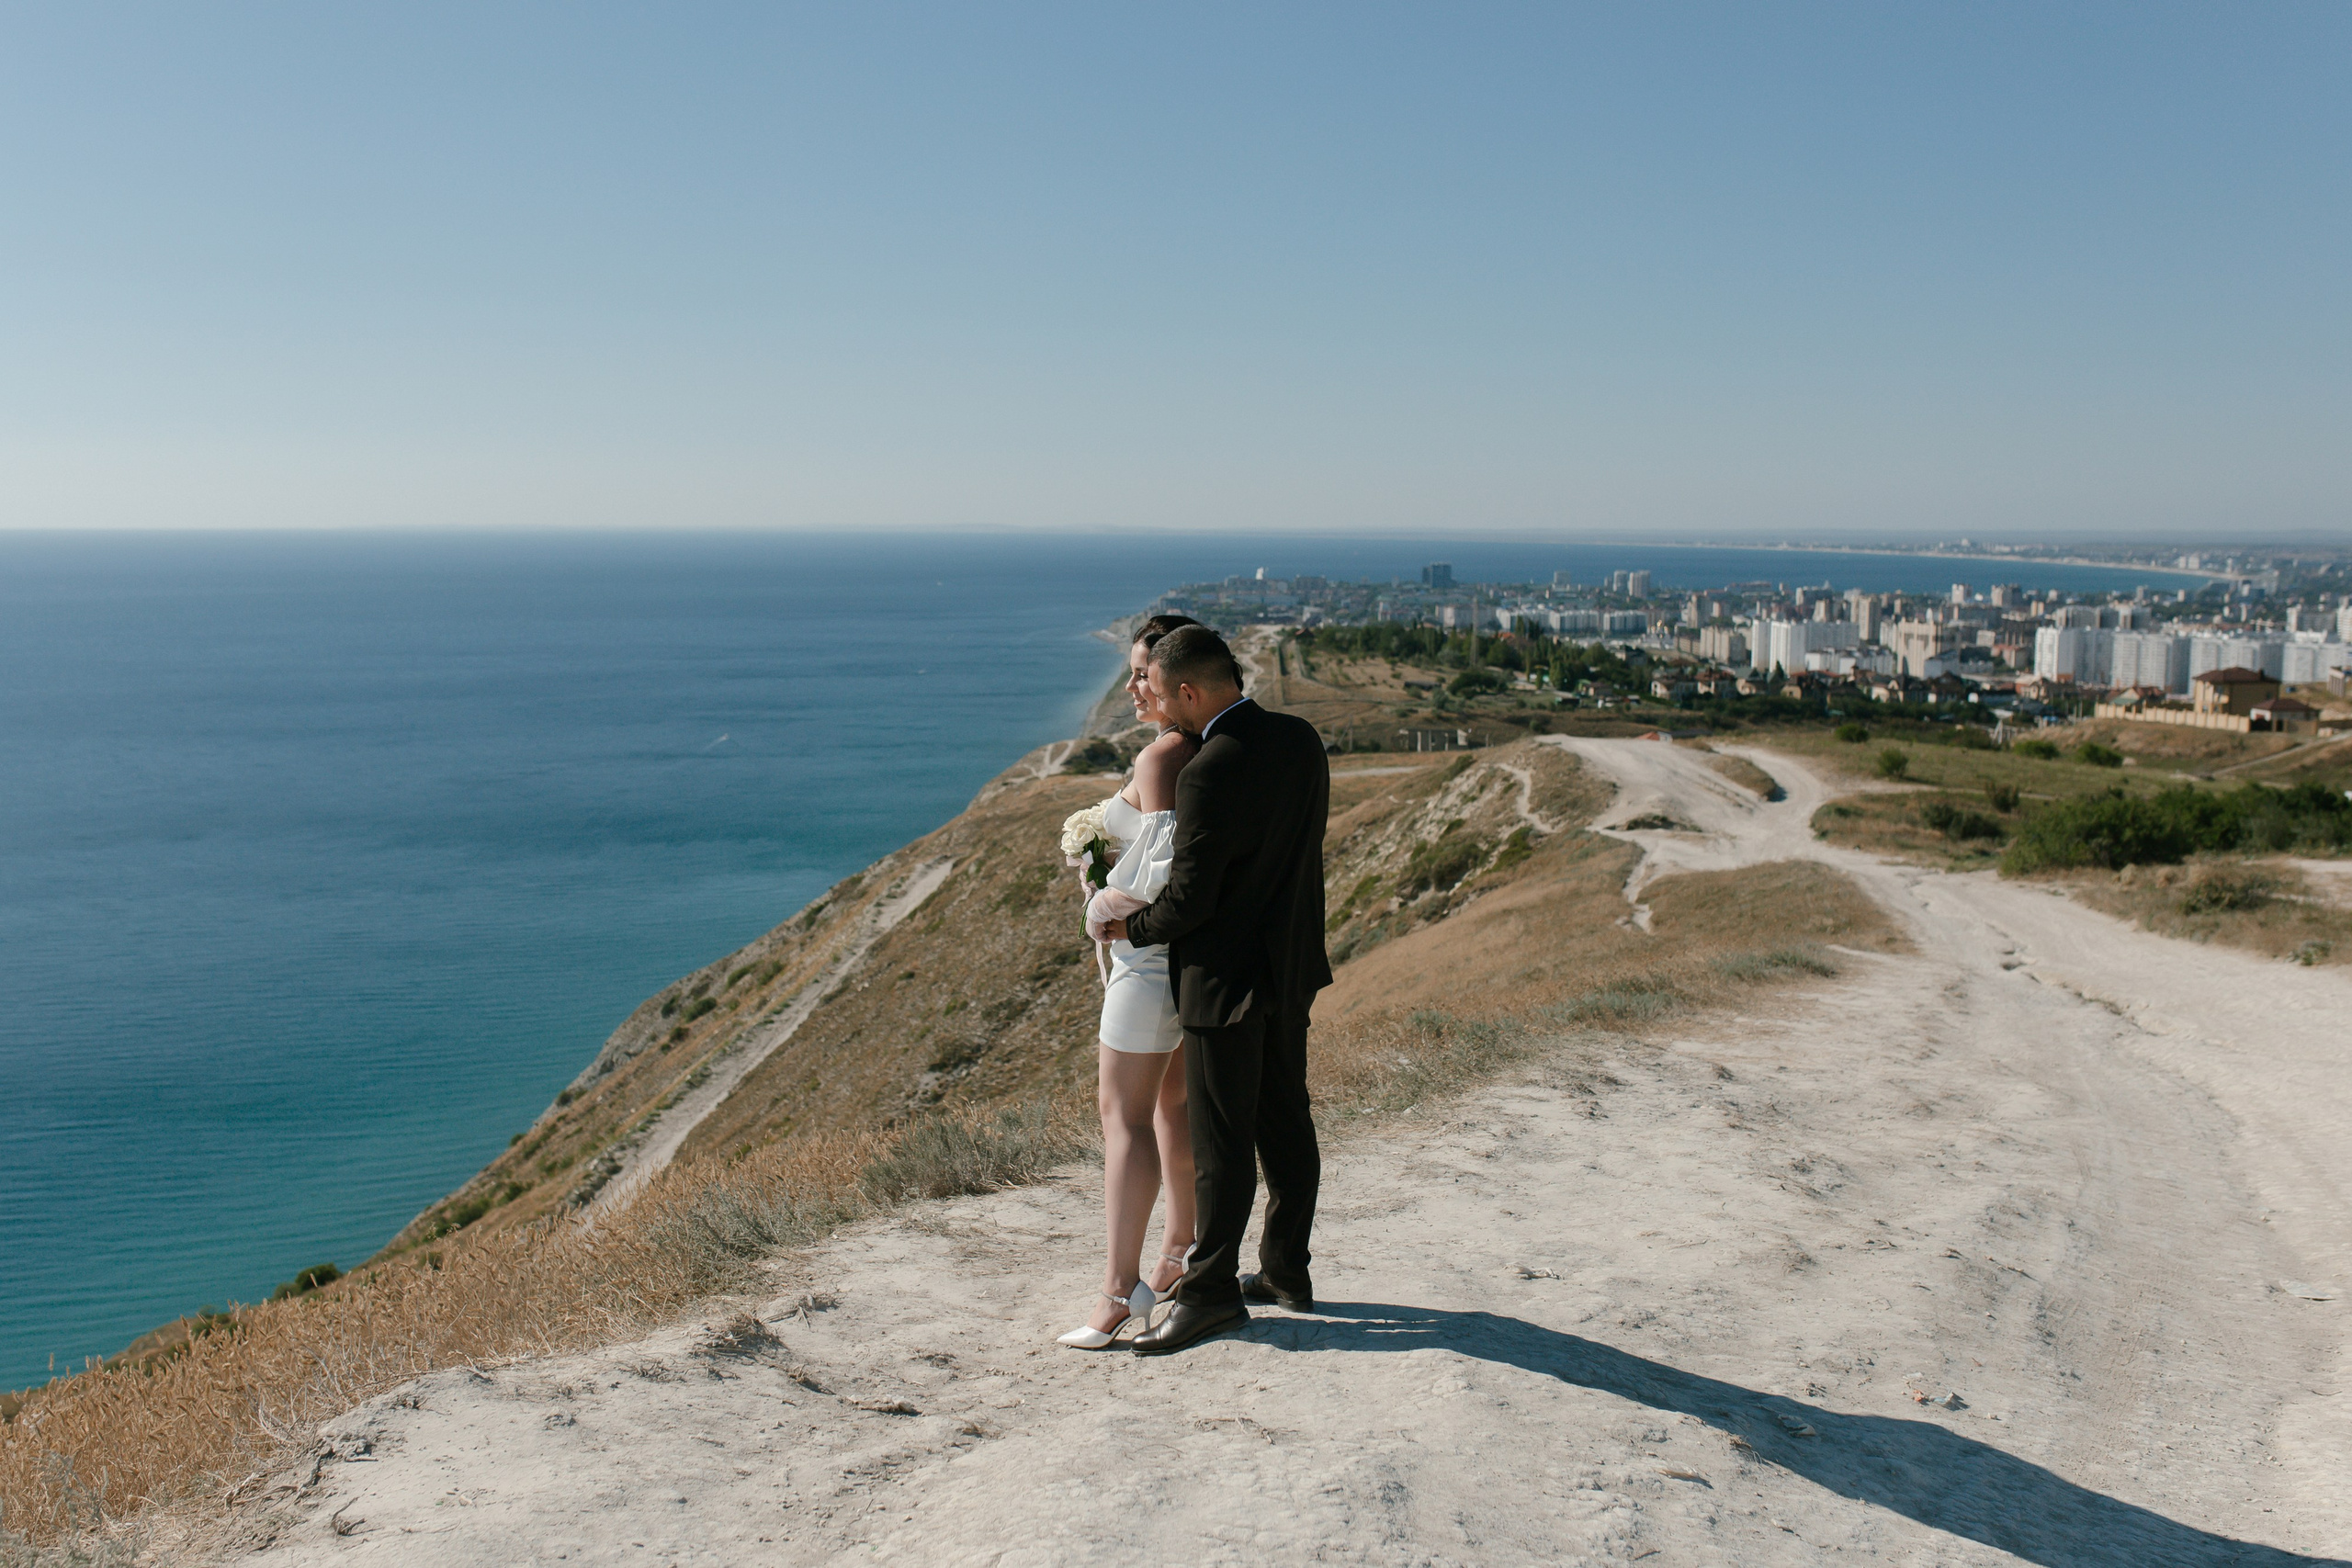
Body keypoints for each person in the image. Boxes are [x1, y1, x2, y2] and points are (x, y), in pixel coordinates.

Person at [1090, 624, 1332, 1356]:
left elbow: (1190, 898)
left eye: (1161, 693)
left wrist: (1126, 930)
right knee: (1285, 1121)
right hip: (1292, 965)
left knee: (1221, 1141)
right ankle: (1288, 1268)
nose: (1159, 705)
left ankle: (1211, 1293)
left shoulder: (1209, 769)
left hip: (1225, 980)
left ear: (1190, 691)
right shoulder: (1299, 738)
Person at [1056, 615, 1204, 1348]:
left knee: (1123, 1118)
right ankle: (1179, 1251)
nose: (1133, 684)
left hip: (1146, 966)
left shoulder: (1161, 760)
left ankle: (1119, 1291)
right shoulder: (1199, 748)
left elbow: (1168, 877)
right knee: (1171, 1108)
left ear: (1178, 677)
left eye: (1143, 671)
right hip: (1184, 967)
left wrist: (1102, 899)